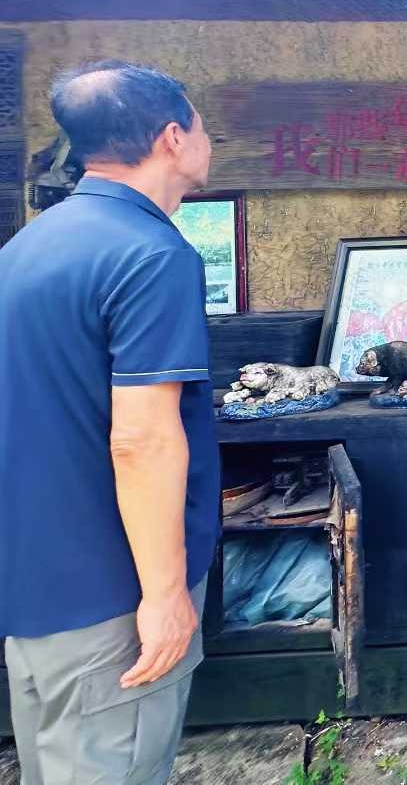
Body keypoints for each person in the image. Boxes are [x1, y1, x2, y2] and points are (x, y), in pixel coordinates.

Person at [0, 61, 218, 784]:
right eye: (203, 127)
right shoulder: (151, 255)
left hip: (37, 592)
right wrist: (164, 595)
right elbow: (142, 439)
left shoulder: (26, 248)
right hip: (114, 604)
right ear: (172, 138)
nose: (207, 141)